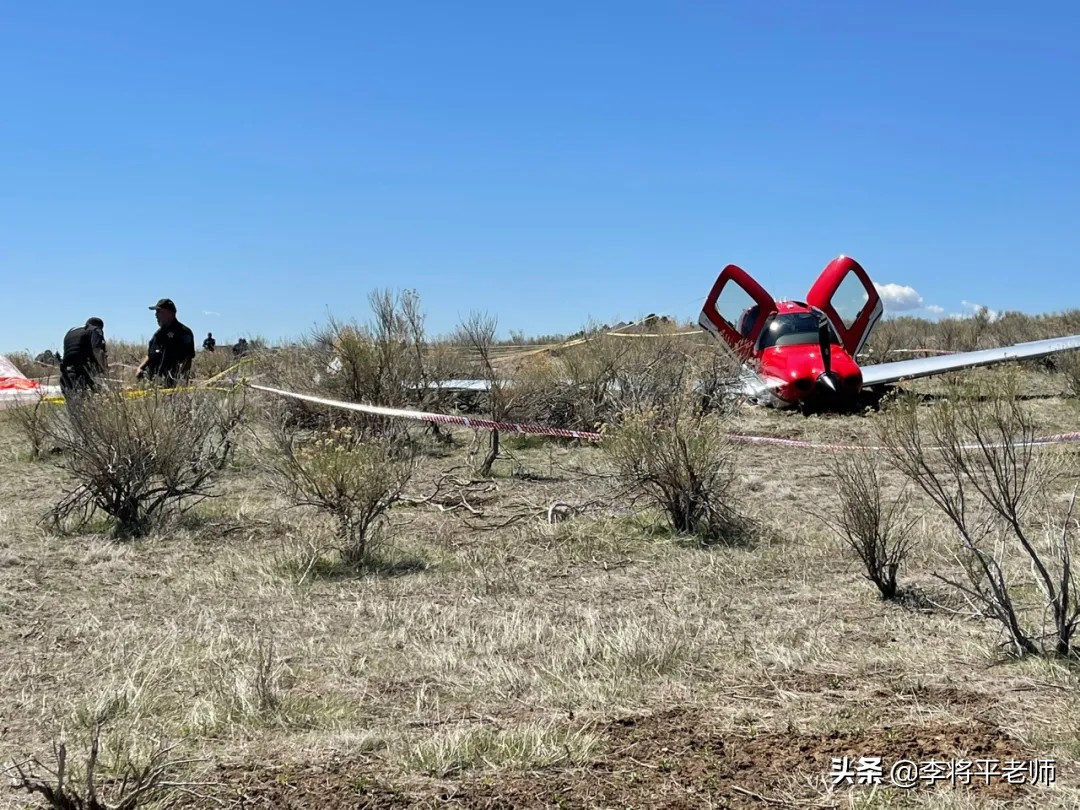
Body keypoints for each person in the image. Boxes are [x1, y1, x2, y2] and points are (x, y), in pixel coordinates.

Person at [136, 298, 196, 385]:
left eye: (159, 312)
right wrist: (141, 367)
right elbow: (151, 354)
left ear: (170, 314)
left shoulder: (183, 333)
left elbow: (187, 360)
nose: (156, 315)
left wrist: (182, 382)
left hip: (172, 384)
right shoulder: (158, 334)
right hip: (153, 384)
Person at [60, 317, 108, 395]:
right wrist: (105, 369)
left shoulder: (71, 332)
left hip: (66, 375)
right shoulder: (95, 330)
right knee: (94, 399)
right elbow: (97, 350)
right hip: (83, 373)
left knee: (73, 404)